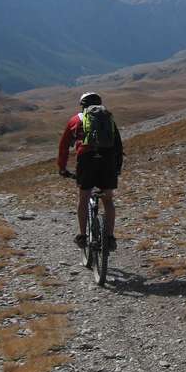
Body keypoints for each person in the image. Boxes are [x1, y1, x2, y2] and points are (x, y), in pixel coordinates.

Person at [58, 91, 122, 252]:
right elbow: (118, 146)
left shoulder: (76, 120)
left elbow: (64, 146)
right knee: (108, 200)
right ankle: (109, 238)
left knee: (84, 197)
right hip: (108, 161)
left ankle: (82, 236)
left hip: (86, 160)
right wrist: (117, 168)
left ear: (82, 105)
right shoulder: (109, 119)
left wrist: (62, 168)